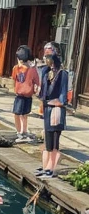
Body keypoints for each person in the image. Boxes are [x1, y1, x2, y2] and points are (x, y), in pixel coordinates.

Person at [36, 42, 69, 179]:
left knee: (55, 138)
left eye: (48, 55)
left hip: (56, 109)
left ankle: (51, 168)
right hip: (47, 107)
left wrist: (60, 103)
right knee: (48, 137)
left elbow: (63, 93)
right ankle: (45, 166)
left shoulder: (63, 73)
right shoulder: (45, 71)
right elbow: (42, 92)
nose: (45, 58)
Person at [11, 45, 39, 143]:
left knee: (22, 114)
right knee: (20, 114)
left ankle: (22, 131)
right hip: (22, 95)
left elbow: (14, 79)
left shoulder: (30, 69)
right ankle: (20, 131)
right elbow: (37, 82)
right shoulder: (19, 68)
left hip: (24, 95)